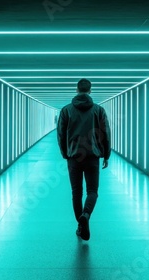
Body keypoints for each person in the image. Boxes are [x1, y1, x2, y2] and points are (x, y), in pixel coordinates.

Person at [57, 78, 111, 241]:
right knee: (93, 191)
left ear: (76, 89)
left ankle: (80, 226)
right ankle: (86, 215)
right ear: (90, 90)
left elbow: (60, 134)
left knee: (76, 192)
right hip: (93, 156)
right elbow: (106, 134)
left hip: (74, 157)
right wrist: (106, 154)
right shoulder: (99, 110)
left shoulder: (66, 111)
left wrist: (66, 153)